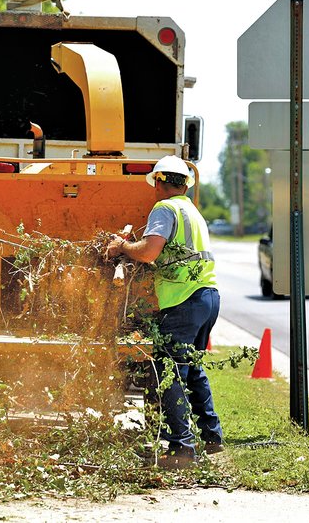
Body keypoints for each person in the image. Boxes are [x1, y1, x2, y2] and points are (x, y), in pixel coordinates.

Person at [106, 155, 223, 469]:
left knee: (168, 374)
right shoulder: (192, 211)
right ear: (185, 183)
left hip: (184, 300)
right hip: (208, 297)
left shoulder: (165, 208)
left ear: (159, 182)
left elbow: (149, 252)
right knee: (193, 368)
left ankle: (182, 449)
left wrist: (121, 247)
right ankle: (212, 438)